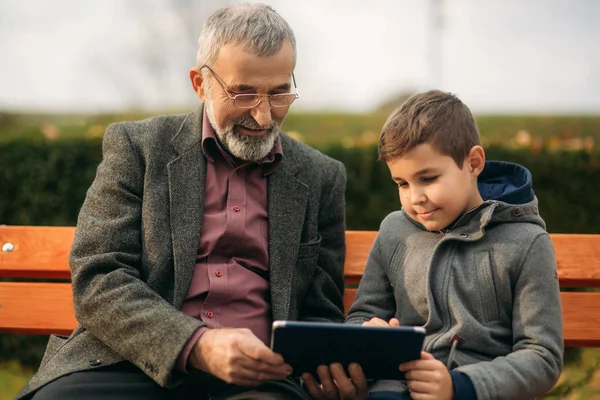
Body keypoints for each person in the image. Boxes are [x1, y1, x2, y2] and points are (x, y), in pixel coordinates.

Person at [17, 4, 347, 400]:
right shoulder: (138, 148)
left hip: (259, 381)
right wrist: (198, 345)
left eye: (279, 94)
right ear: (200, 83)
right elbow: (99, 277)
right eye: (243, 93)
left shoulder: (321, 177)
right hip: (132, 364)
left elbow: (320, 313)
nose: (263, 117)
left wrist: (330, 371)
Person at [304, 90, 563, 400]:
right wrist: (369, 334)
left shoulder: (527, 242)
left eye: (427, 178)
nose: (415, 197)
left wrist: (459, 386)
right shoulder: (394, 231)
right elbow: (365, 314)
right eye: (402, 184)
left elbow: (541, 356)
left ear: (473, 163)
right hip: (391, 390)